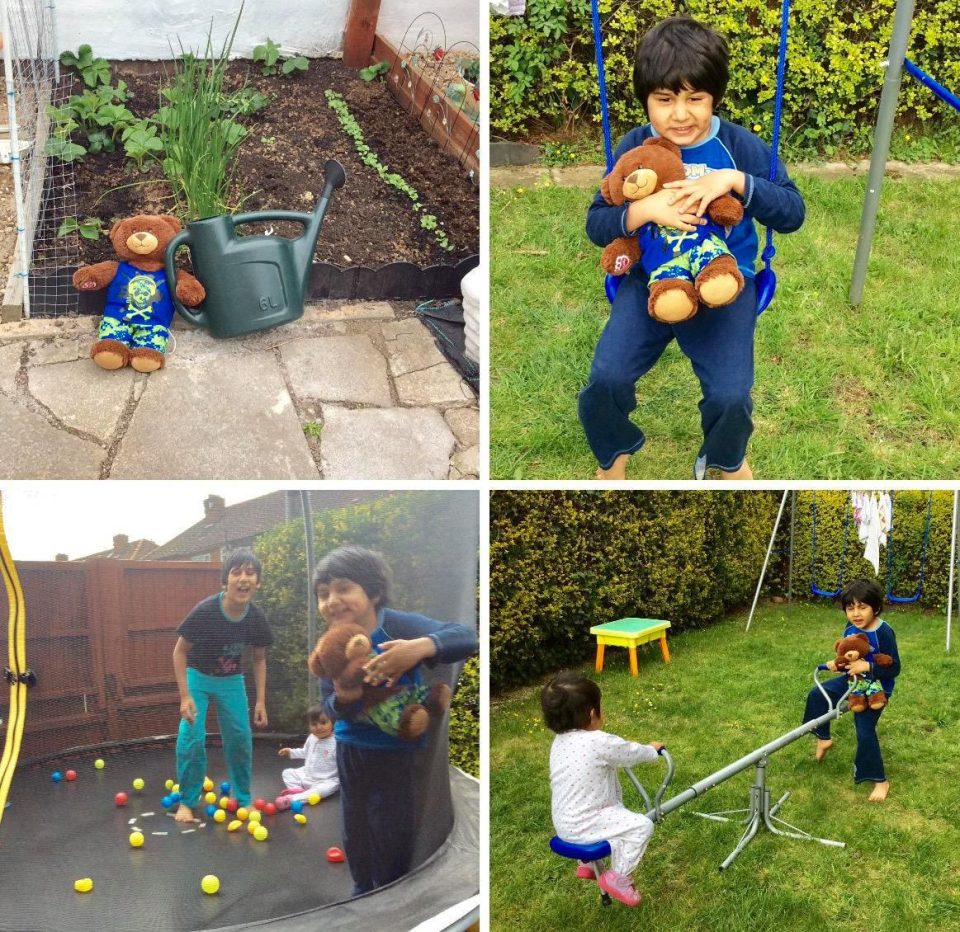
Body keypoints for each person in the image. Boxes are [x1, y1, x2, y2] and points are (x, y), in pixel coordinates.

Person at [580, 16, 805, 481]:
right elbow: (598, 223)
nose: (680, 115)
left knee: (730, 395)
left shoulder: (739, 147)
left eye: (695, 99)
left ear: (714, 97)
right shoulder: (635, 147)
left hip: (726, 282)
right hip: (651, 282)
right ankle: (613, 453)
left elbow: (793, 212)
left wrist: (737, 182)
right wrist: (644, 212)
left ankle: (726, 458)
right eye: (664, 100)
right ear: (646, 98)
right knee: (606, 379)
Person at [312, 545, 478, 896]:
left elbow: (466, 637)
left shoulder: (399, 625)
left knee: (391, 824)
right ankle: (361, 887)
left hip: (397, 752)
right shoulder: (330, 645)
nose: (332, 601)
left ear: (372, 592)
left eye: (343, 588)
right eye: (323, 594)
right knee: (353, 824)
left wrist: (420, 648)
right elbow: (329, 707)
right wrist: (343, 699)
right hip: (352, 748)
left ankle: (392, 890)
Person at [542, 672, 665, 908]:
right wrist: (652, 750)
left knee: (605, 811)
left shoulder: (558, 743)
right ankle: (618, 877)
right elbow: (630, 752)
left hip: (564, 823)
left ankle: (587, 864)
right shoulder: (599, 741)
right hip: (588, 823)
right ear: (592, 714)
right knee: (641, 826)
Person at [172, 549, 273, 823]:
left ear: (258, 582)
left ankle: (243, 798)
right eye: (236, 572)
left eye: (250, 573)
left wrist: (261, 701)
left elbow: (259, 659)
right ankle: (188, 801)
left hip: (231, 680)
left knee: (240, 737)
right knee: (191, 737)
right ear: (224, 581)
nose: (243, 579)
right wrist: (184, 696)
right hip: (198, 678)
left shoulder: (256, 618)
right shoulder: (205, 612)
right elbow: (179, 652)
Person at [801, 579, 901, 801]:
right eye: (850, 608)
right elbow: (848, 654)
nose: (856, 613)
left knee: (864, 731)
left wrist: (869, 666)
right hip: (851, 680)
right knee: (818, 694)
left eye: (862, 607)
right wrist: (837, 664)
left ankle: (880, 781)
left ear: (875, 608)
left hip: (876, 687)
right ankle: (823, 737)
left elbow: (895, 667)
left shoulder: (884, 632)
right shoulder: (850, 628)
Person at [277, 705, 339, 802]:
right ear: (309, 726)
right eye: (314, 724)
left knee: (325, 789)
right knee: (287, 773)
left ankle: (293, 799)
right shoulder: (312, 738)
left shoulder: (336, 742)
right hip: (308, 775)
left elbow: (343, 763)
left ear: (332, 722)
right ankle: (298, 791)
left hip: (326, 780)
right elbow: (305, 752)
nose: (319, 727)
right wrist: (291, 752)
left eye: (323, 722)